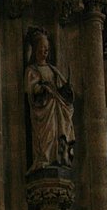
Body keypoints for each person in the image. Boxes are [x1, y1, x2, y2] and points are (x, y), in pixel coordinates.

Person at [24, 27, 75, 171]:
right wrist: (42, 88)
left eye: (46, 49)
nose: (44, 52)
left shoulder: (53, 69)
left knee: (60, 129)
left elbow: (62, 87)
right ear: (35, 50)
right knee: (47, 135)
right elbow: (30, 89)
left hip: (57, 106)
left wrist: (67, 89)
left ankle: (61, 156)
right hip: (44, 108)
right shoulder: (31, 70)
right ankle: (44, 157)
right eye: (41, 48)